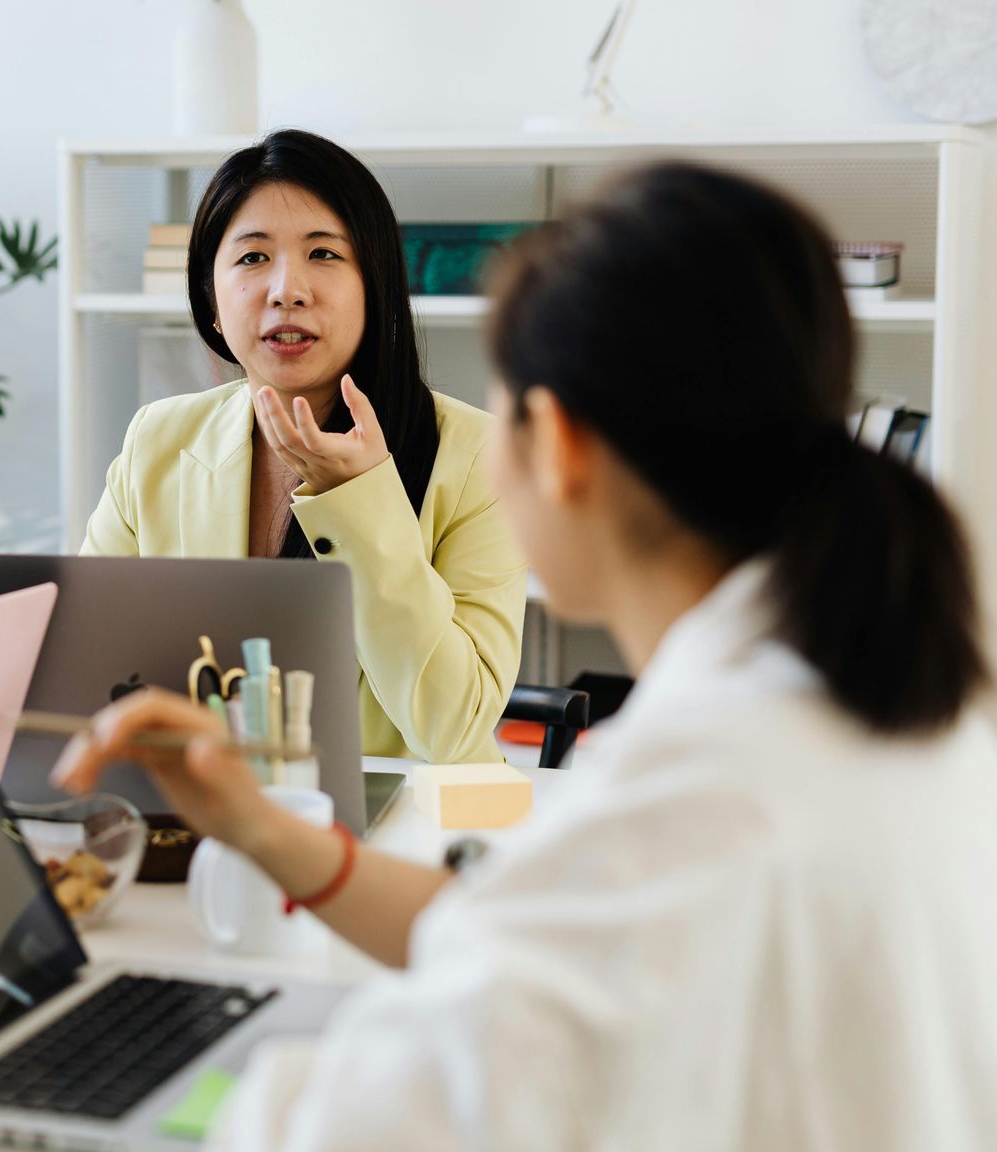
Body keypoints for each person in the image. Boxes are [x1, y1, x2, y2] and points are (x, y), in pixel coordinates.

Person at [57, 163, 997, 1149]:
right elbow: (521, 922)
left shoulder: (692, 796)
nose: (285, 284)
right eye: (251, 257)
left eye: (502, 404)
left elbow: (346, 1121)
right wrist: (264, 826)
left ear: (557, 442)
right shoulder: (865, 693)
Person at [81, 130, 525, 763]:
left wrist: (360, 499)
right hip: (205, 815)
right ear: (210, 300)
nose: (287, 289)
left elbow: (452, 730)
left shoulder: (480, 456)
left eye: (324, 254)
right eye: (252, 258)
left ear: (375, 285)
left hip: (406, 830)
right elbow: (85, 659)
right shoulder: (157, 439)